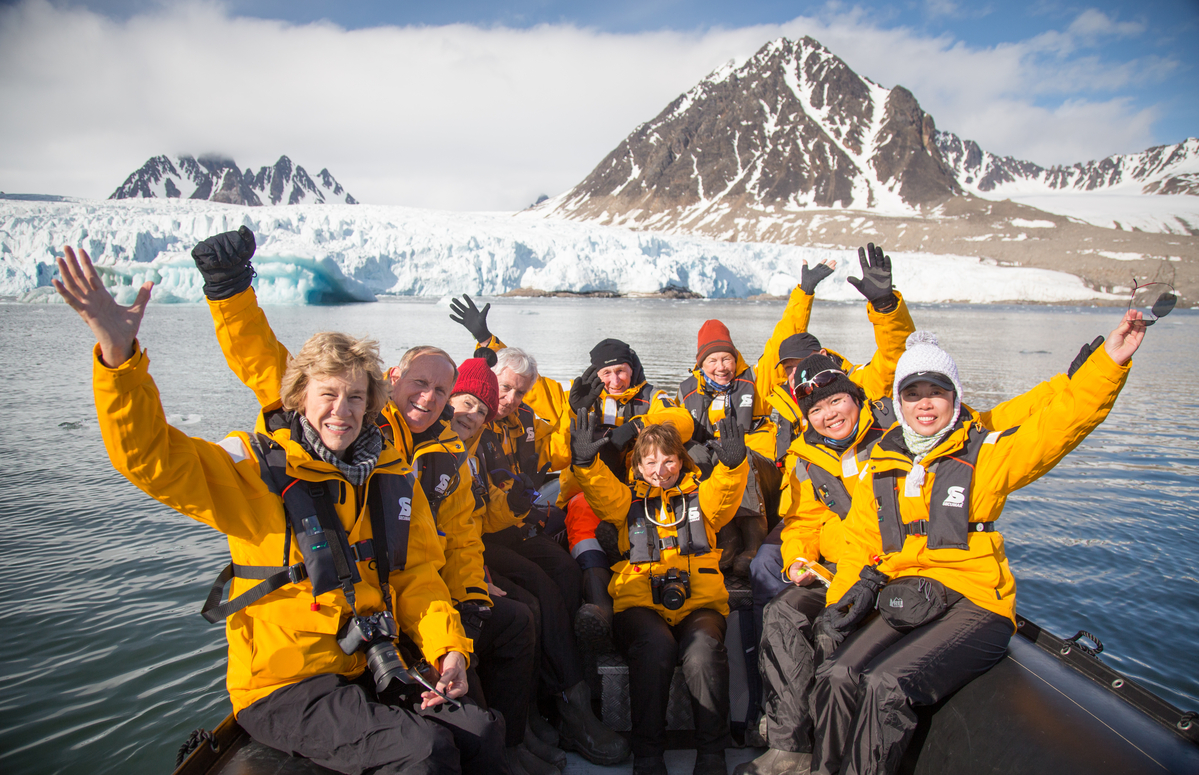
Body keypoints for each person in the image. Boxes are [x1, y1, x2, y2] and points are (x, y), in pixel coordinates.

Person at [54, 245, 506, 774]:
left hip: (362, 659)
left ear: (373, 404)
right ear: (299, 397)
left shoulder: (387, 473)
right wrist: (119, 355)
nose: (343, 410)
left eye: (357, 397)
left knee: (481, 730)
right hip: (283, 682)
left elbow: (417, 578)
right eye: (329, 394)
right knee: (425, 753)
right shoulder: (255, 471)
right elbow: (151, 458)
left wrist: (448, 647)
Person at [808, 315, 1143, 775]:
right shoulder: (883, 464)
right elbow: (862, 544)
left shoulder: (985, 455)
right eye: (913, 393)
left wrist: (1109, 364)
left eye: (937, 392)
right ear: (898, 401)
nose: (925, 405)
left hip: (976, 602)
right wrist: (839, 608)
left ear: (955, 397)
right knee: (838, 673)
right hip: (915, 594)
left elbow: (1060, 426)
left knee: (886, 685)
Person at [736, 344, 1080, 775]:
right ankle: (792, 746)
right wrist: (798, 562)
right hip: (848, 573)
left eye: (837, 400)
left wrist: (1078, 381)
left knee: (853, 662)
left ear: (858, 397)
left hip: (893, 574)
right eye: (817, 408)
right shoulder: (810, 459)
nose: (830, 414)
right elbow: (807, 522)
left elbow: (1032, 424)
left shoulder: (901, 437)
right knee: (783, 615)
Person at [449, 296, 631, 766]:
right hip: (487, 538)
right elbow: (477, 505)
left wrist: (579, 420)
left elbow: (554, 451)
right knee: (540, 598)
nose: (509, 400)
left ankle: (558, 694)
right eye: (504, 391)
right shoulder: (474, 425)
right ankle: (567, 710)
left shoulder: (524, 422)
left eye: (520, 394)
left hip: (515, 529)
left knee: (567, 577)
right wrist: (485, 343)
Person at [569, 410, 750, 775]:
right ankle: (649, 756)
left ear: (681, 461)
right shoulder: (625, 501)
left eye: (669, 460)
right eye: (650, 461)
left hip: (700, 605)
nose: (660, 469)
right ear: (637, 465)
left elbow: (727, 493)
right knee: (656, 647)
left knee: (702, 652)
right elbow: (599, 490)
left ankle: (712, 755)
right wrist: (585, 462)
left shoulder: (704, 498)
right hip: (640, 606)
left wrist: (733, 465)